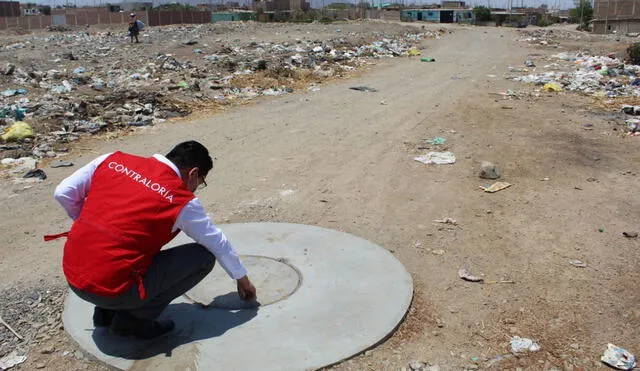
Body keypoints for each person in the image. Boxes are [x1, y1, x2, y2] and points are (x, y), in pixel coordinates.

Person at [49, 141, 257, 339]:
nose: (196, 188)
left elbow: (63, 193)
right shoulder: (181, 200)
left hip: (74, 276)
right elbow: (216, 242)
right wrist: (242, 279)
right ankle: (133, 321)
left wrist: (88, 221)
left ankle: (105, 313)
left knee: (131, 244)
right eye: (200, 182)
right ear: (193, 174)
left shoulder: (112, 160)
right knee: (203, 258)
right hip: (112, 289)